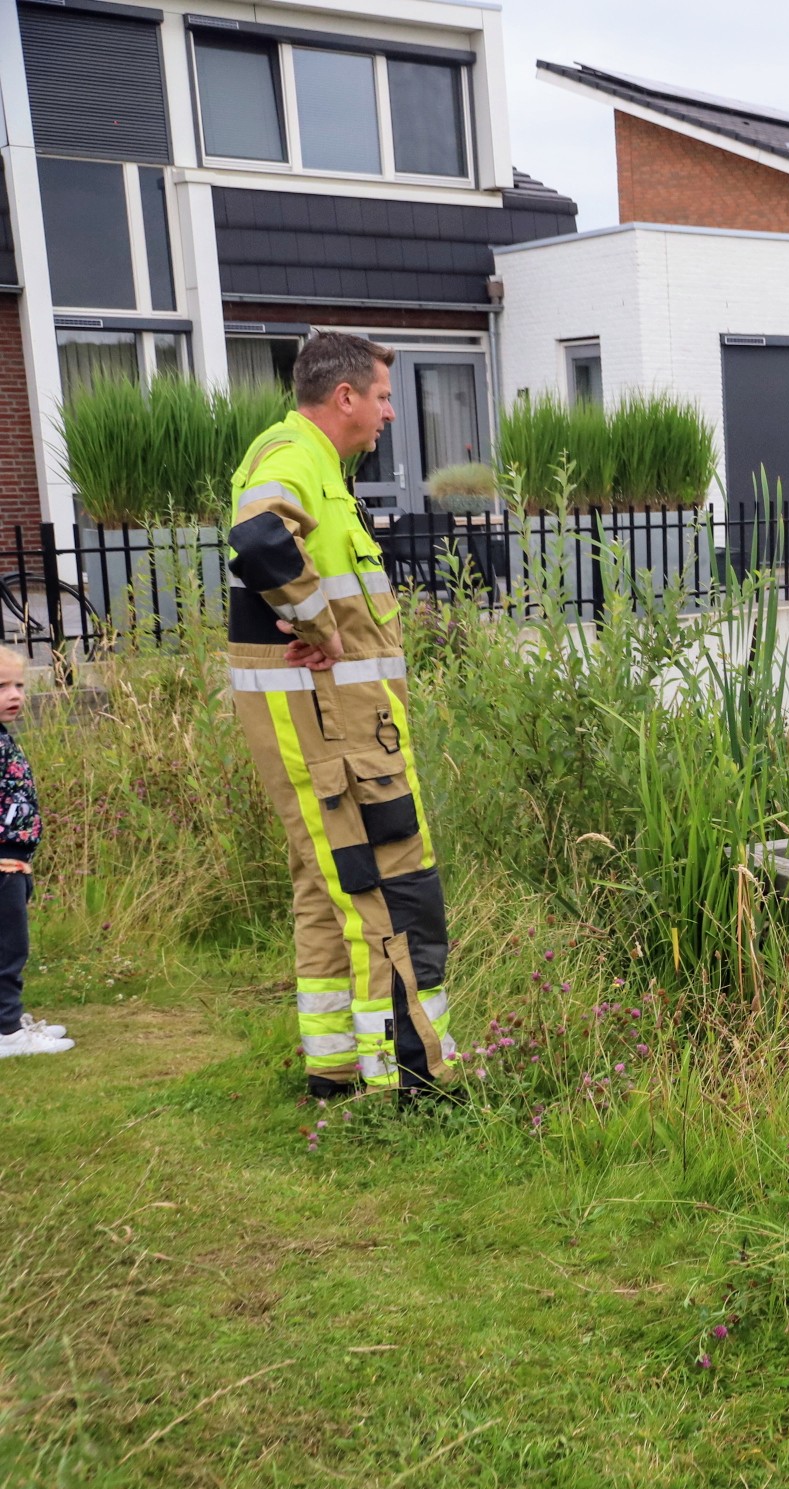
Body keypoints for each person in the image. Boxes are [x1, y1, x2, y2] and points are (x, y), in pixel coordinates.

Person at [226, 332, 457, 1101]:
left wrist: (317, 622)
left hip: (345, 727)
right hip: (331, 732)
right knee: (386, 890)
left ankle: (337, 1071)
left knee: (325, 893)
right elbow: (260, 538)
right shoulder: (293, 455)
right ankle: (414, 1077)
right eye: (384, 396)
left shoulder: (316, 468)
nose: (390, 413)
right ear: (346, 397)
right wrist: (317, 627)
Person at [0, 647, 71, 1059]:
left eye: (19, 685)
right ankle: (8, 1034)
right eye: (2, 687)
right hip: (2, 863)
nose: (15, 695)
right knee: (9, 949)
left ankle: (6, 1020)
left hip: (14, 861)